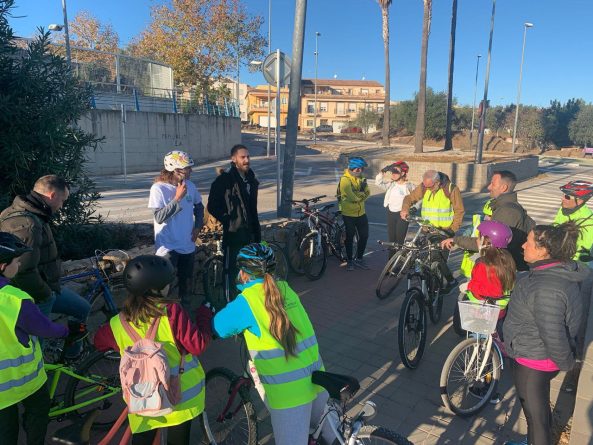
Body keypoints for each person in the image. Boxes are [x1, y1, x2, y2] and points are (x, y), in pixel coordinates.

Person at [212, 243, 328, 445]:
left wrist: (206, 316)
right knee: (331, 435)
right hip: (318, 378)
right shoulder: (285, 289)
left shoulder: (247, 301)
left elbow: (219, 327)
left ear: (244, 273)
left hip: (289, 395)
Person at [94, 255, 213, 445]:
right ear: (157, 289)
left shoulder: (118, 322)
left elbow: (99, 342)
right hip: (179, 396)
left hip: (142, 397)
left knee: (143, 439)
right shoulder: (171, 311)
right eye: (167, 284)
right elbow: (197, 345)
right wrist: (204, 317)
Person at [503, 222, 588, 445]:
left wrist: (566, 363)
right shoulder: (552, 273)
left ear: (543, 250)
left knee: (536, 418)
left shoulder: (547, 288)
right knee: (539, 411)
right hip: (536, 356)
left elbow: (554, 334)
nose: (522, 245)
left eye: (528, 242)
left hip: (533, 361)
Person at [0, 232, 80, 445]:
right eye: (16, 261)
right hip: (22, 380)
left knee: (5, 432)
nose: (18, 266)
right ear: (2, 266)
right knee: (38, 411)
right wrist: (65, 332)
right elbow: (43, 328)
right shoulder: (13, 298)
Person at [0, 175, 91, 358]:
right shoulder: (28, 223)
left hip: (48, 286)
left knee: (82, 308)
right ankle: (41, 377)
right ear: (51, 195)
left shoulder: (34, 214)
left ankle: (71, 358)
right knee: (36, 347)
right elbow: (22, 270)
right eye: (62, 200)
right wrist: (45, 295)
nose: (62, 206)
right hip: (35, 294)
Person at [148, 150, 204, 311]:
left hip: (187, 245)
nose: (191, 171)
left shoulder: (191, 186)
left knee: (186, 289)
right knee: (162, 290)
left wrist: (198, 227)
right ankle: (161, 324)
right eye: (187, 168)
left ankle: (185, 322)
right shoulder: (158, 189)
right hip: (167, 248)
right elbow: (159, 217)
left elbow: (199, 207)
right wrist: (177, 198)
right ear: (176, 170)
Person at [207, 144, 261, 298]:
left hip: (251, 234)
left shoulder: (251, 180)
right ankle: (231, 303)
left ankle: (248, 302)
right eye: (242, 157)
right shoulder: (225, 180)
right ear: (233, 159)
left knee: (250, 272)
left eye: (248, 157)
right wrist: (228, 219)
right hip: (234, 234)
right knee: (232, 272)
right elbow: (212, 205)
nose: (246, 160)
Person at [400, 170, 465, 293]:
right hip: (427, 228)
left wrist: (452, 230)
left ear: (437, 183)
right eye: (425, 186)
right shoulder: (424, 187)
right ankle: (427, 281)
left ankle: (450, 281)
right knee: (424, 256)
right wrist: (405, 209)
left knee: (438, 258)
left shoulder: (451, 189)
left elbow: (459, 211)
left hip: (444, 231)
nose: (427, 189)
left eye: (429, 187)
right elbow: (409, 198)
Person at [452, 220, 516, 337]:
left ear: (485, 242)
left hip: (484, 310)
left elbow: (493, 290)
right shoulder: (506, 259)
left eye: (478, 238)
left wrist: (469, 286)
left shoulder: (484, 264)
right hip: (499, 310)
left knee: (480, 339)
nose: (476, 240)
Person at [375, 161, 415, 256]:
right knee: (391, 240)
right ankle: (391, 264)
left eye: (396, 172)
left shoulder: (409, 186)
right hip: (391, 213)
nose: (393, 174)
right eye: (392, 171)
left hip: (402, 215)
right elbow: (378, 182)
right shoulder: (391, 185)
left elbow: (419, 199)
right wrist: (382, 172)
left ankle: (399, 262)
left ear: (403, 173)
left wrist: (413, 209)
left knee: (399, 241)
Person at [337, 157, 371, 271]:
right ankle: (350, 260)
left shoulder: (362, 179)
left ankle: (360, 258)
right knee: (350, 237)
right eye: (357, 169)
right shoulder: (345, 180)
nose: (359, 171)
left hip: (361, 212)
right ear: (351, 168)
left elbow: (368, 193)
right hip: (349, 214)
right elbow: (352, 197)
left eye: (361, 169)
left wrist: (359, 197)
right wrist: (360, 196)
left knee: (364, 236)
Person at [553, 180, 593, 262]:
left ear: (580, 201)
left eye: (567, 197)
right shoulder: (564, 210)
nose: (562, 198)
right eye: (563, 195)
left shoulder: (589, 222)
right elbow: (555, 226)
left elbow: (583, 252)